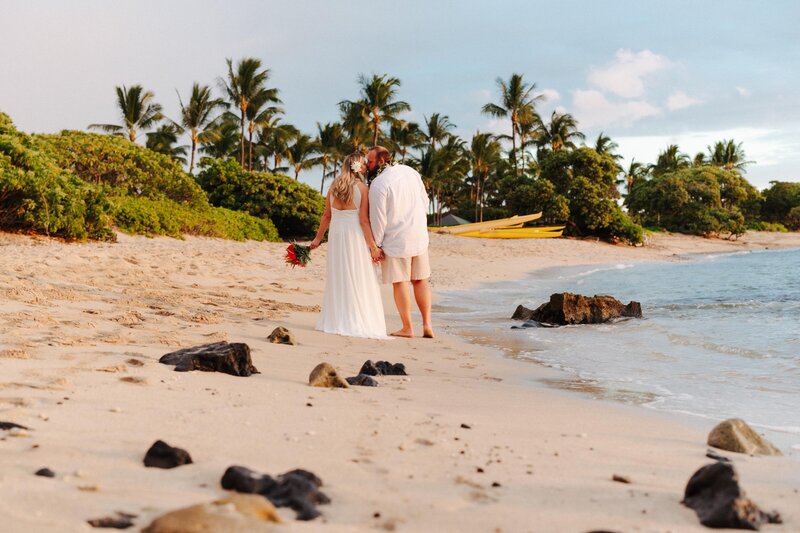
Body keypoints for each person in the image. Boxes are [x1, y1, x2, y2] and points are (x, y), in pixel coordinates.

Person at [310, 152, 389, 339]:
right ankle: (354, 317)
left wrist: (317, 239)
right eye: (364, 164)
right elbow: (363, 221)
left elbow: (326, 216)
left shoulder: (334, 186)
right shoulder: (362, 188)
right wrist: (373, 247)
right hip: (354, 236)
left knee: (339, 275)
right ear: (358, 167)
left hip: (337, 236)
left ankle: (337, 318)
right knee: (358, 274)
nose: (366, 167)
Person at [366, 146, 434, 338]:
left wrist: (376, 246)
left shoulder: (379, 184)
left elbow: (378, 219)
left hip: (396, 239)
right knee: (421, 280)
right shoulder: (411, 171)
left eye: (370, 162)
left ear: (380, 161)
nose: (367, 165)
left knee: (400, 281)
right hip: (418, 234)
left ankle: (407, 327)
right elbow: (425, 201)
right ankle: (427, 324)